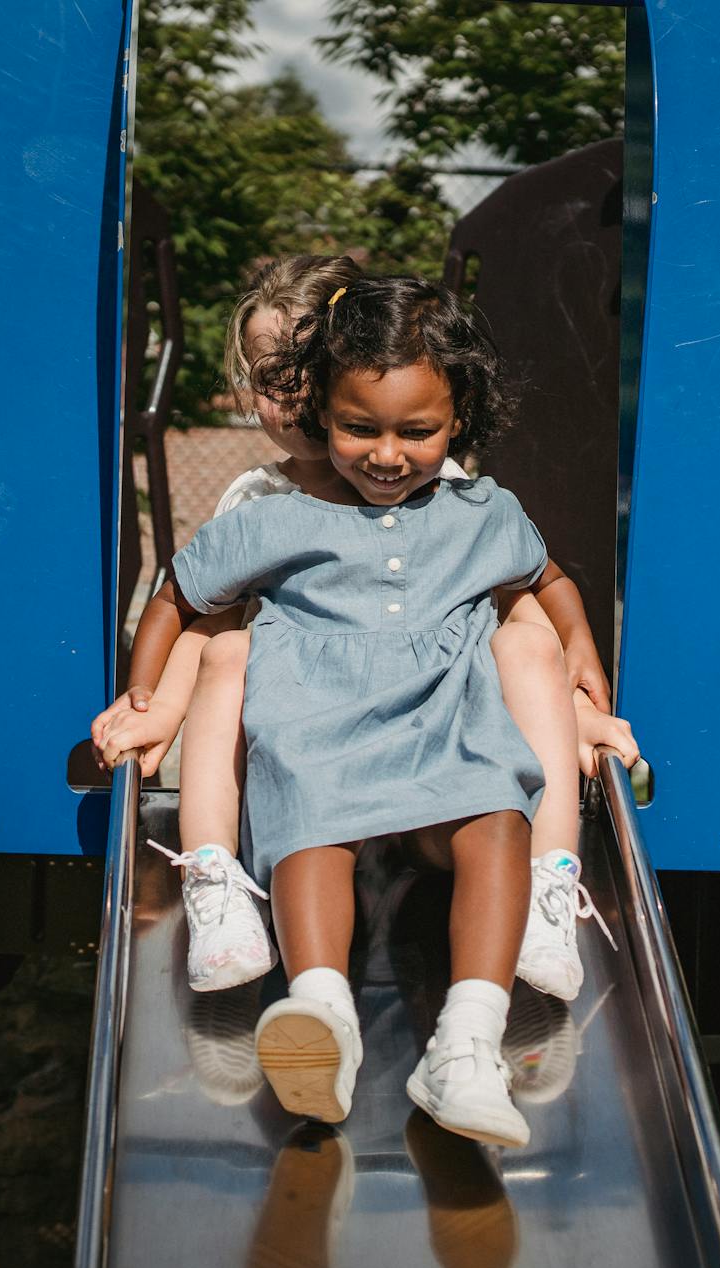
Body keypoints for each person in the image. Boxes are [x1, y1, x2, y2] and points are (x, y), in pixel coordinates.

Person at [92, 256, 635, 1003]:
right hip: (306, 745)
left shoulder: (431, 485)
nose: (288, 396)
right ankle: (215, 873)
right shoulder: (262, 505)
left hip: (435, 733)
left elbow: (523, 604)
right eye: (267, 376)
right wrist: (152, 707)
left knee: (527, 643)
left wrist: (578, 705)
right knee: (229, 650)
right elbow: (195, 615)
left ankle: (547, 871)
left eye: (301, 367)